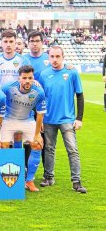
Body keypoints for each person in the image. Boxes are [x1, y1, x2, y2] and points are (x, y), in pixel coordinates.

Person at [39, 46, 86, 193]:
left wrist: (79, 118)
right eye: (52, 56)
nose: (54, 59)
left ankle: (76, 181)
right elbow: (40, 98)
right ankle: (48, 177)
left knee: (72, 150)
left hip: (67, 119)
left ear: (63, 57)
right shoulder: (44, 74)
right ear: (48, 57)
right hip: (48, 119)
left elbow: (80, 95)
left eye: (57, 56)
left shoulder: (71, 72)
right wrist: (39, 120)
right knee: (48, 149)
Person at [1, 66, 46, 192]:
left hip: (28, 120)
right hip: (9, 120)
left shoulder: (39, 92)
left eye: (30, 78)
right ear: (19, 78)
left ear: (33, 78)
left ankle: (29, 180)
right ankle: (14, 177)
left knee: (37, 145)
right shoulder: (8, 87)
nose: (27, 81)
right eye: (24, 78)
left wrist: (37, 134)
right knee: (5, 146)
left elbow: (40, 113)